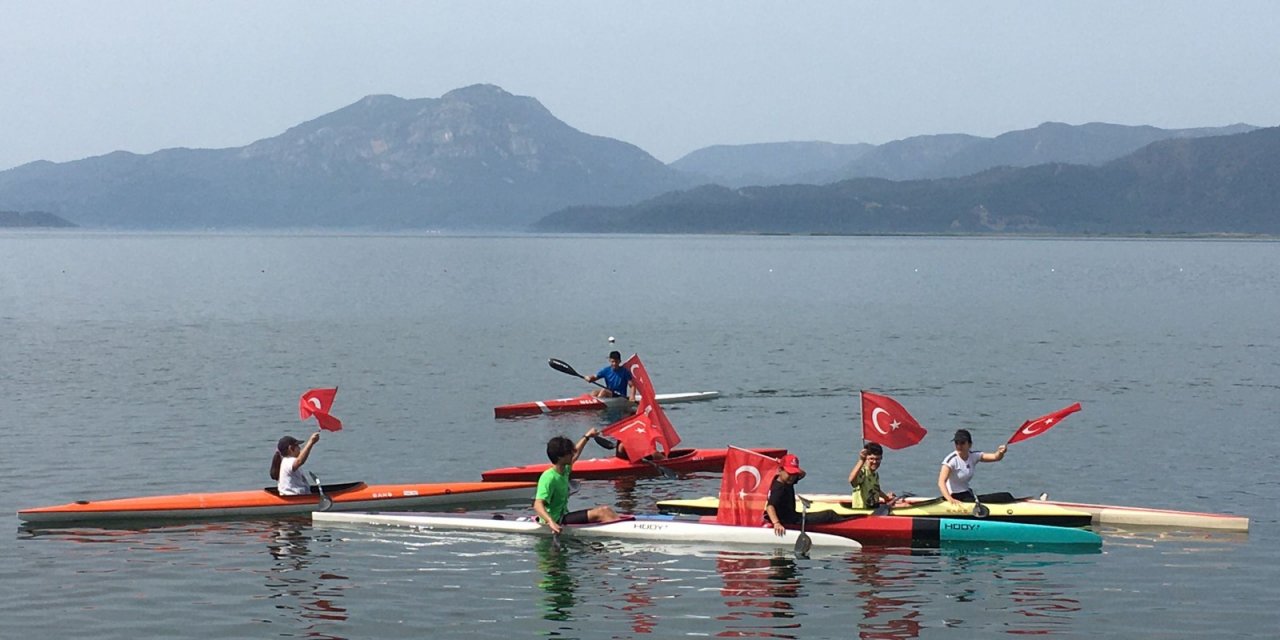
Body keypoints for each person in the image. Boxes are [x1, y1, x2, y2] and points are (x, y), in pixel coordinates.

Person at [534, 428, 623, 534]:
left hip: (563, 516)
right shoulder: (548, 477)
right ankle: (625, 535)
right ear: (560, 457)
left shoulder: (564, 470)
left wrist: (587, 437)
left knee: (607, 511)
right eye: (569, 453)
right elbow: (538, 504)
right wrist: (551, 522)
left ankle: (622, 527)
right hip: (556, 520)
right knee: (603, 512)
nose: (572, 454)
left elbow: (576, 452)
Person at [763, 454, 838, 536]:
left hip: (793, 517)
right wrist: (776, 523)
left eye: (794, 474)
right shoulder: (779, 488)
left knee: (831, 513)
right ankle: (849, 523)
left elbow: (803, 474)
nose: (792, 477)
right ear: (780, 470)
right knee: (829, 515)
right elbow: (770, 507)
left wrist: (783, 464)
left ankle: (850, 519)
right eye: (790, 473)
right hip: (791, 521)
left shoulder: (786, 481)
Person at [937, 428, 1007, 507]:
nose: (959, 446)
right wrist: (950, 499)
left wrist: (1001, 452)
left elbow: (995, 457)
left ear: (970, 444)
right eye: (957, 443)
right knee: (1003, 497)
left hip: (966, 494)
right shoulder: (951, 461)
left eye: (962, 443)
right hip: (954, 496)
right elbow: (941, 482)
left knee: (1006, 496)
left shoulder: (973, 456)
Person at [848, 442, 897, 509]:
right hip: (862, 512)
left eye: (877, 459)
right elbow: (851, 479)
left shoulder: (875, 475)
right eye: (871, 459)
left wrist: (886, 497)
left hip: (874, 508)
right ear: (866, 458)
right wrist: (861, 460)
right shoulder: (862, 472)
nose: (874, 462)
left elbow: (876, 490)